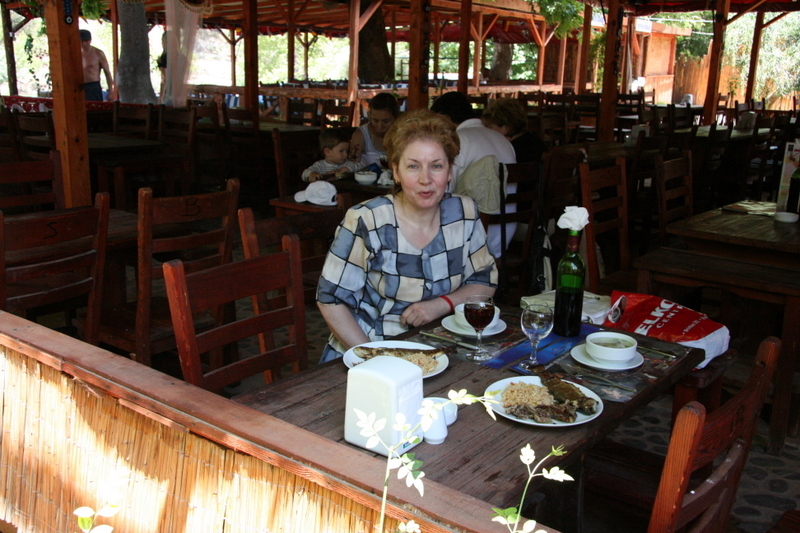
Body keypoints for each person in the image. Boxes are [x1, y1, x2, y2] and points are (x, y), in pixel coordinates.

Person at [317, 109, 498, 362]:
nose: (426, 179)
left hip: (440, 349)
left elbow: (484, 280)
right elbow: (330, 300)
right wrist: (374, 359)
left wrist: (441, 304)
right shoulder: (367, 219)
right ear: (396, 171)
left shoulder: (464, 212)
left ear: (450, 171)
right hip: (369, 347)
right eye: (413, 166)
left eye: (436, 166)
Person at [431, 91, 517, 258]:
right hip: (504, 238)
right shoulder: (502, 139)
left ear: (445, 118)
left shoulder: (458, 140)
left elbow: (441, 193)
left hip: (473, 244)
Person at [430, 91, 516, 189]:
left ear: (446, 118)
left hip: (477, 199)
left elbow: (444, 190)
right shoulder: (502, 139)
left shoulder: (456, 140)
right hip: (510, 199)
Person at [481, 98, 547, 163]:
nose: (487, 132)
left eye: (490, 128)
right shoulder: (536, 142)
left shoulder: (508, 151)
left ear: (505, 128)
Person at [349, 92, 399, 168]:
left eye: (385, 121)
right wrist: (354, 158)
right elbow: (351, 165)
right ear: (369, 116)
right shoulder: (361, 135)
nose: (380, 126)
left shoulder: (403, 134)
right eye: (375, 121)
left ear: (395, 117)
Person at [79, 29, 114, 102]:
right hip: (79, 87)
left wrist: (111, 91)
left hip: (93, 87)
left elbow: (107, 73)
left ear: (90, 40)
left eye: (86, 41)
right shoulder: (76, 54)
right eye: (81, 41)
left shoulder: (98, 53)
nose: (83, 44)